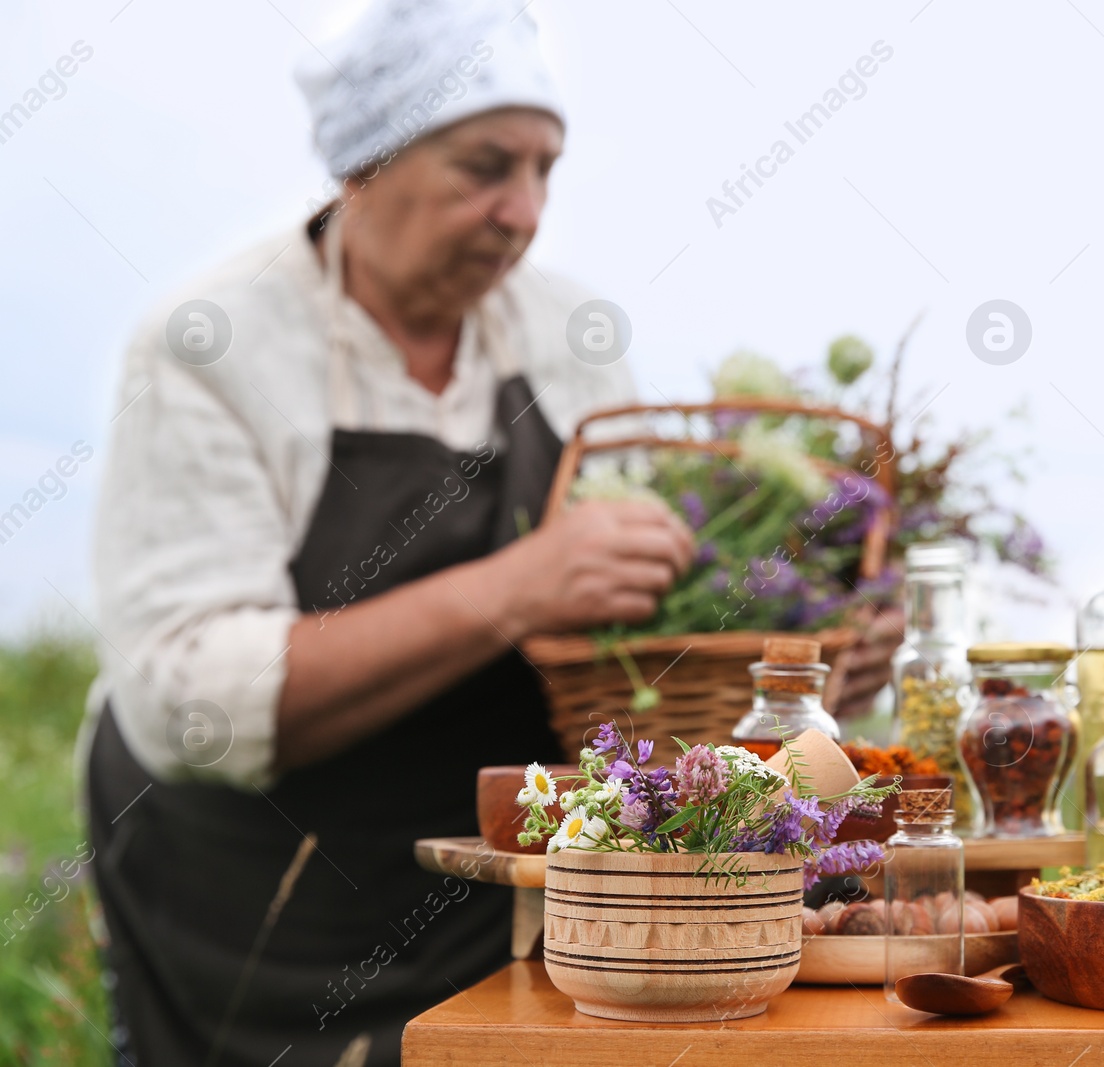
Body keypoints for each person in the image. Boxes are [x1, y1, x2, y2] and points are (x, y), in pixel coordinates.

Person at [79, 2, 693, 1062]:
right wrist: (513, 588)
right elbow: (192, 700)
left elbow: (627, 628)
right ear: (364, 164)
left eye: (546, 169)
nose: (523, 211)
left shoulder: (565, 336)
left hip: (492, 888)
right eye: (485, 167)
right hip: (254, 903)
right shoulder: (214, 347)